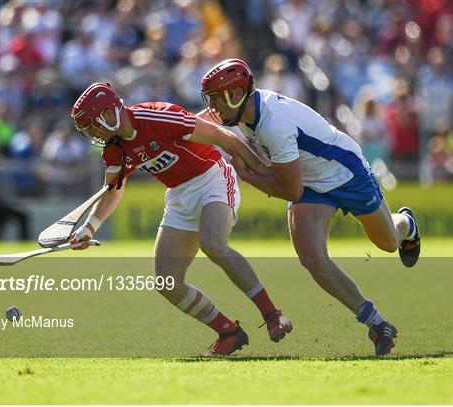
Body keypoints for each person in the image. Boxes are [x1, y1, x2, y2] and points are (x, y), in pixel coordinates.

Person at [199, 59, 421, 356]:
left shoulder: (273, 124)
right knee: (312, 258)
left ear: (235, 95)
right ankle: (376, 322)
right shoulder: (242, 110)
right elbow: (200, 122)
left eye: (216, 99)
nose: (213, 107)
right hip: (310, 179)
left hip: (345, 172)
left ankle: (406, 223)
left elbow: (291, 189)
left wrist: (249, 177)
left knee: (388, 242)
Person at [68, 83, 292, 356]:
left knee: (213, 244)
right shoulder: (114, 148)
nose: (92, 133)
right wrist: (89, 228)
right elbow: (113, 190)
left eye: (92, 126)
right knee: (166, 282)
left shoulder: (158, 116)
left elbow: (225, 138)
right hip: (179, 194)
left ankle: (272, 315)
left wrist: (266, 174)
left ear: (108, 114)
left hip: (212, 177)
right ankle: (229, 332)